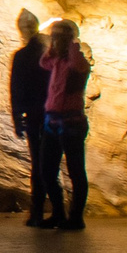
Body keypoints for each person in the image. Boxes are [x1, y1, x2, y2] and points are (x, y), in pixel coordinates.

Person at [39, 19, 93, 231]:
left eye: (60, 37)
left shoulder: (77, 61)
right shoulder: (57, 62)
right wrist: (53, 46)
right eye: (54, 37)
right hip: (52, 121)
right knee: (47, 170)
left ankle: (76, 217)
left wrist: (72, 43)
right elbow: (43, 62)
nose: (56, 40)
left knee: (76, 171)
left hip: (72, 122)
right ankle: (59, 213)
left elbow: (78, 65)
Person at [11, 10, 55, 227]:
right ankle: (57, 211)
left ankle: (38, 210)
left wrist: (18, 118)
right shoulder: (49, 53)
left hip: (37, 116)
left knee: (39, 164)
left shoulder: (23, 56)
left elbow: (16, 90)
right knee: (48, 163)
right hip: (52, 114)